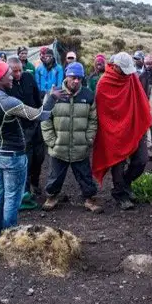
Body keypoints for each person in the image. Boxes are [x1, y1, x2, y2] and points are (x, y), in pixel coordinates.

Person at [0, 60, 56, 242]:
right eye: (8, 73)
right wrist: (52, 97)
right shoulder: (8, 101)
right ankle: (9, 240)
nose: (12, 76)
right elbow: (40, 115)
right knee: (12, 199)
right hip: (13, 154)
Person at [92, 52, 152, 210]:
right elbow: (103, 111)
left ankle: (126, 183)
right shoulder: (104, 82)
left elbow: (140, 99)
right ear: (116, 66)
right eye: (123, 70)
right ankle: (119, 193)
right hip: (114, 131)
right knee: (117, 163)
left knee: (141, 160)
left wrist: (139, 121)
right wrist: (114, 128)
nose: (127, 73)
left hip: (133, 125)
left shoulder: (131, 77)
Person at [41, 62, 101, 212]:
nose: (76, 81)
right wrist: (51, 141)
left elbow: (93, 120)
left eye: (79, 78)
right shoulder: (53, 94)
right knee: (55, 175)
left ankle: (89, 199)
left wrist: (89, 139)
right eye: (73, 77)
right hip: (59, 145)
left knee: (85, 175)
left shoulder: (88, 95)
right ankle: (52, 196)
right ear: (67, 76)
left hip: (80, 145)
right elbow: (45, 118)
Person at [6, 56, 45, 195]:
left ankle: (35, 181)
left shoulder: (28, 77)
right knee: (26, 158)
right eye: (14, 71)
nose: (17, 74)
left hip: (35, 123)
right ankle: (26, 188)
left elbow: (37, 98)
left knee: (39, 156)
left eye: (19, 71)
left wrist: (41, 116)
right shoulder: (6, 85)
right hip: (20, 128)